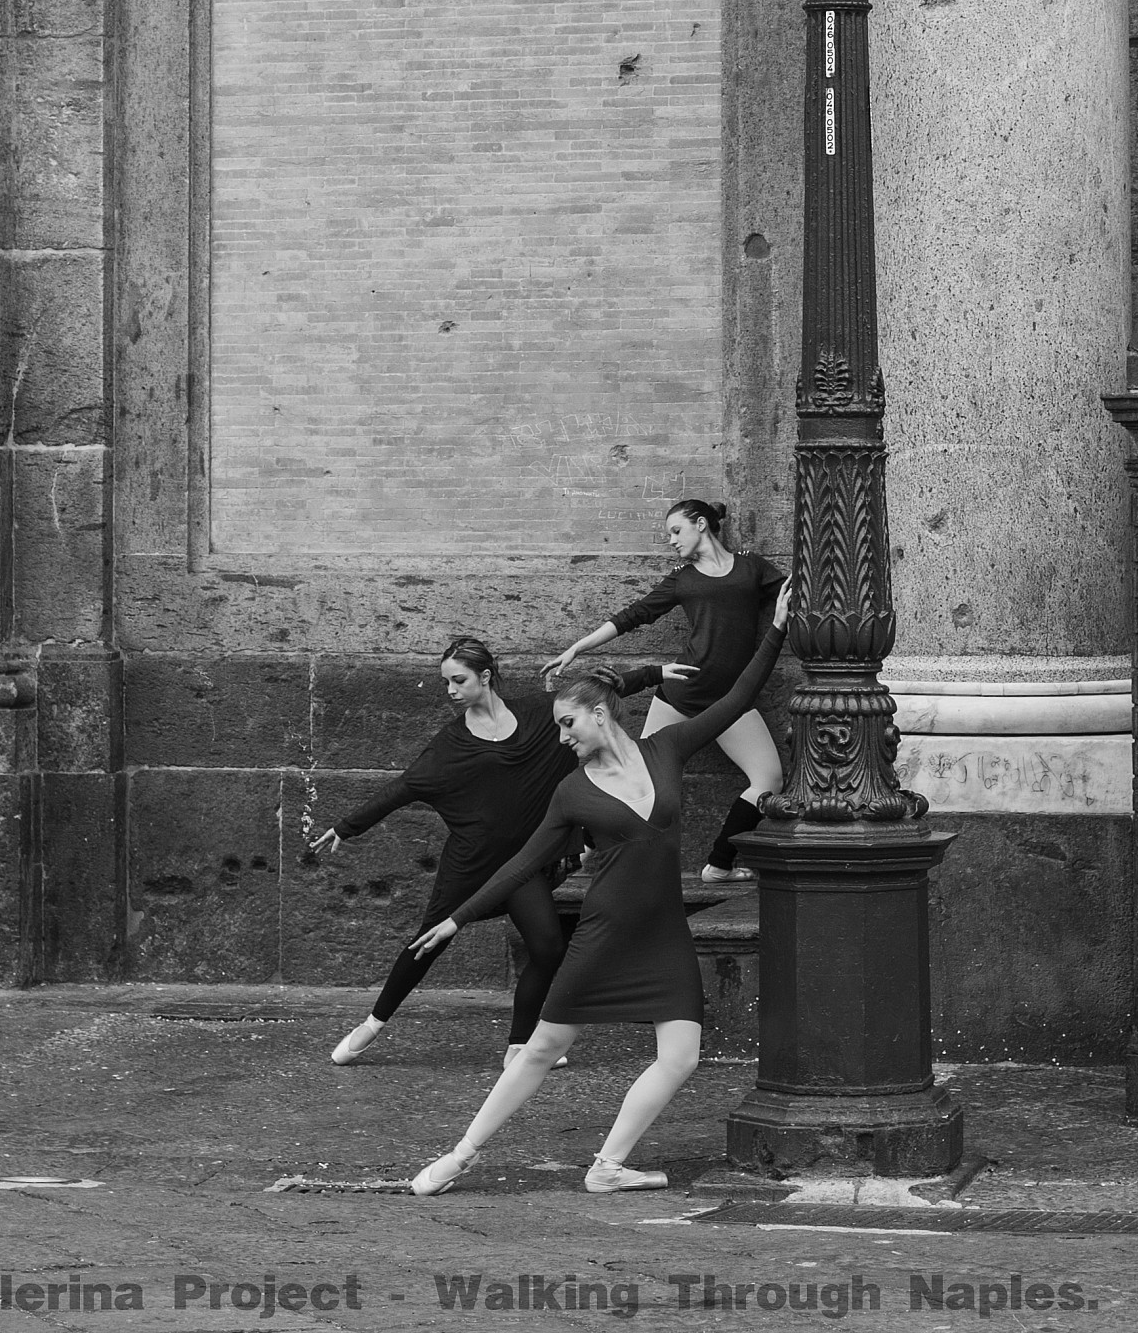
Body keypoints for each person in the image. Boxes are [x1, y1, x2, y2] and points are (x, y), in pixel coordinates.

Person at [405, 578, 790, 1197]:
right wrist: (454, 919)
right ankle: (460, 1156)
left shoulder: (665, 749)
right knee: (539, 1049)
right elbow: (520, 865)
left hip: (663, 930)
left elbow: (738, 694)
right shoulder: (572, 791)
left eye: (568, 724)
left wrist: (778, 627)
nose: (562, 738)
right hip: (605, 930)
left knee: (681, 1057)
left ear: (600, 712)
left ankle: (608, 1166)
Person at [309, 634, 629, 1069]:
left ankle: (519, 1047)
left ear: (486, 676)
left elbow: (588, 704)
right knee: (429, 940)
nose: (451, 691)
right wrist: (346, 827)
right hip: (472, 862)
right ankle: (372, 1024)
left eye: (458, 680)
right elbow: (405, 787)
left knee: (549, 948)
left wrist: (648, 676)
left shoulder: (538, 713)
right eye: (446, 683)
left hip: (523, 865)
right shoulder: (451, 743)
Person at [544, 498, 786, 880]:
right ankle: (588, 849)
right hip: (681, 693)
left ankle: (720, 864)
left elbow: (794, 593)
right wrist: (577, 647)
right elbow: (634, 615)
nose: (671, 541)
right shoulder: (682, 579)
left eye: (676, 531)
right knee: (634, 776)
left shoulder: (751, 566)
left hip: (732, 700)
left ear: (702, 524)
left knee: (769, 780)